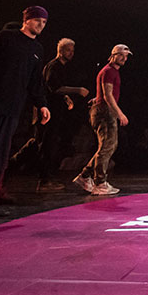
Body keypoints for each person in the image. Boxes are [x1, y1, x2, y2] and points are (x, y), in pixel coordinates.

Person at [0, 6, 51, 225]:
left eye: (44, 23)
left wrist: (42, 105)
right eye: (37, 21)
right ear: (26, 20)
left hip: (12, 110)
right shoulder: (6, 38)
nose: (40, 25)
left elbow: (35, 82)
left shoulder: (37, 49)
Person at [73, 44, 131, 196]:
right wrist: (120, 114)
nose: (124, 59)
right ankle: (100, 182)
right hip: (105, 112)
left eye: (126, 56)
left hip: (104, 110)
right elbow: (108, 95)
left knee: (108, 146)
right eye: (121, 55)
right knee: (107, 146)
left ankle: (85, 176)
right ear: (113, 55)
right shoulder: (109, 71)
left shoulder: (111, 72)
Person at [35, 38, 89, 192]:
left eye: (72, 51)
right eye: (68, 50)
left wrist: (66, 98)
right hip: (47, 113)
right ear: (60, 50)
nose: (71, 53)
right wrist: (77, 90)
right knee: (45, 146)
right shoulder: (54, 66)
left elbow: (55, 88)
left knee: (44, 145)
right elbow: (54, 88)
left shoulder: (62, 67)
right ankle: (43, 181)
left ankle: (45, 178)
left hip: (54, 112)